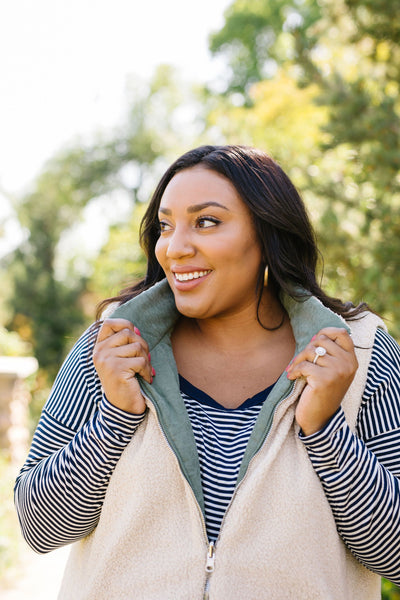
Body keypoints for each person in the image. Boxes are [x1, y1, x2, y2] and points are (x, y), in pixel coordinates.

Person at [15, 145, 400, 600]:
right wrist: (114, 418)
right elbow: (38, 526)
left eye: (207, 221)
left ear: (267, 234)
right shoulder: (112, 345)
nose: (175, 248)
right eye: (165, 226)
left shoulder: (359, 353)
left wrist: (325, 430)